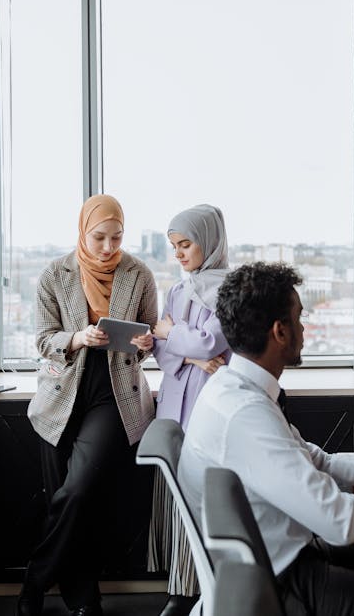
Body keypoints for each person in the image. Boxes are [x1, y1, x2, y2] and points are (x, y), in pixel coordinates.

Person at [178, 262, 354, 616]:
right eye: (299, 318)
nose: (304, 328)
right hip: (281, 582)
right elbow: (341, 522)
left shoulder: (232, 388)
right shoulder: (245, 412)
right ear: (280, 331)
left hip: (284, 556)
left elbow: (319, 460)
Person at [19, 194, 158, 616]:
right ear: (83, 231)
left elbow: (151, 336)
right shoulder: (54, 274)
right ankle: (84, 598)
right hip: (61, 393)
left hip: (114, 393)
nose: (108, 247)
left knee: (77, 491)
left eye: (116, 237)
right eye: (99, 237)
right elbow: (44, 339)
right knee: (70, 500)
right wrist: (78, 338)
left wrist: (147, 343)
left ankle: (34, 582)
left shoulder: (139, 273)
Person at [149, 204, 232, 616]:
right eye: (174, 246)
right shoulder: (179, 290)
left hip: (205, 402)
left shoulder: (231, 289)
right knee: (177, 498)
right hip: (173, 400)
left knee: (202, 496)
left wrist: (179, 340)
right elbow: (166, 351)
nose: (179, 254)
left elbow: (210, 344)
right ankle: (179, 587)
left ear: (209, 241)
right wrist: (191, 354)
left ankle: (198, 591)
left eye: (186, 244)